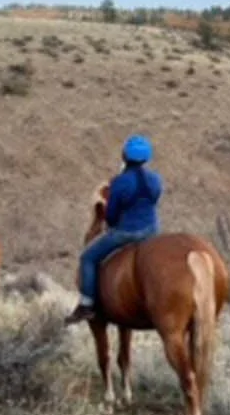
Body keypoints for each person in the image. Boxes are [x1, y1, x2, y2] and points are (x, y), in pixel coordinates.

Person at [66, 135, 162, 324]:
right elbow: (154, 202)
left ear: (125, 156)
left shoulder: (120, 182)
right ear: (146, 158)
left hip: (126, 232)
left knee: (88, 257)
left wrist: (113, 222)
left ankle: (86, 304)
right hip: (152, 232)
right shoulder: (155, 180)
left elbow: (111, 215)